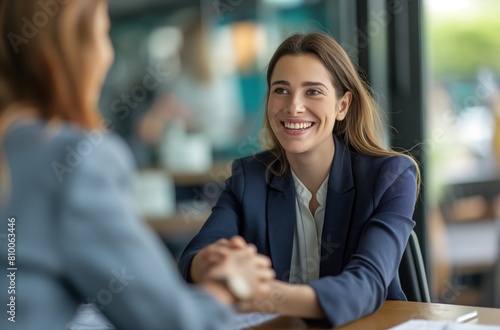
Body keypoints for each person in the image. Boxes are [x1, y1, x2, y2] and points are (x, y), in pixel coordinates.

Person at [0, 1, 275, 329]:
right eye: (104, 34)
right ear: (76, 44)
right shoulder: (77, 158)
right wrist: (231, 283)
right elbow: (172, 322)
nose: (109, 55)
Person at [178, 32, 420, 328]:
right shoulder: (249, 177)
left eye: (313, 92)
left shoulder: (391, 177)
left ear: (342, 106)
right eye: (281, 90)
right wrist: (215, 264)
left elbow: (366, 285)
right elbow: (194, 256)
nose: (293, 106)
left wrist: (264, 294)